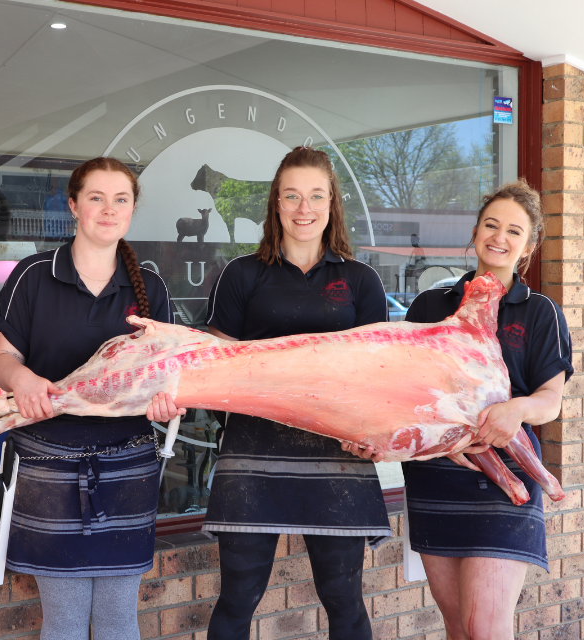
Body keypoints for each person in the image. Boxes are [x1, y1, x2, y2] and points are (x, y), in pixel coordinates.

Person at [187, 146, 393, 640]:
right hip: (252, 455)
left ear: (332, 203)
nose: (305, 208)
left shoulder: (361, 281)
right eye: (292, 196)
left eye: (316, 195)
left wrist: (374, 433)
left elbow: (377, 377)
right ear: (276, 204)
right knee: (237, 598)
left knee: (344, 601)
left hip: (337, 458)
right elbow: (215, 370)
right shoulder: (240, 275)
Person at [0, 157, 174, 640]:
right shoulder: (32, 276)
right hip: (49, 465)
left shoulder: (149, 288)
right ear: (73, 205)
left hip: (128, 467)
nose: (108, 210)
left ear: (132, 210)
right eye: (96, 198)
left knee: (118, 620)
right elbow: (2, 360)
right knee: (65, 621)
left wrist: (169, 402)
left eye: (121, 199)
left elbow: (170, 377)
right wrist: (22, 379)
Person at [403, 179, 572, 640]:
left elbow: (549, 401)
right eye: (491, 225)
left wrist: (515, 410)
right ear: (476, 232)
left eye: (514, 231)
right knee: (458, 627)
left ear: (529, 245)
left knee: (487, 627)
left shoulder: (540, 313)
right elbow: (409, 390)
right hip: (437, 475)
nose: (499, 237)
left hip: (505, 480)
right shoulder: (430, 304)